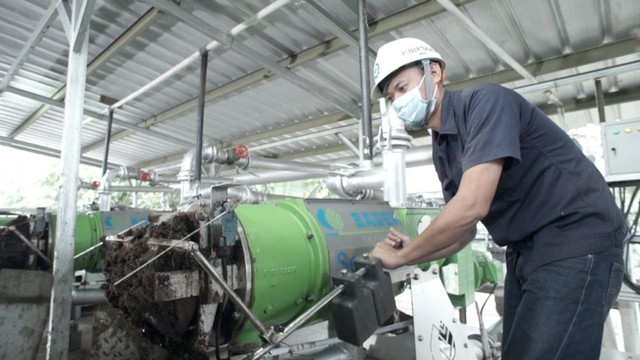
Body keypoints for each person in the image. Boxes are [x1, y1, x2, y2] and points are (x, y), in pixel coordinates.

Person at [369, 37, 627, 360]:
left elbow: (471, 205)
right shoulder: (442, 147)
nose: (398, 102)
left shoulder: (486, 102)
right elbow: (463, 231)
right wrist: (416, 249)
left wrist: (403, 257)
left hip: (576, 240)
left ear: (434, 72)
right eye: (392, 97)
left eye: (402, 87)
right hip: (524, 251)